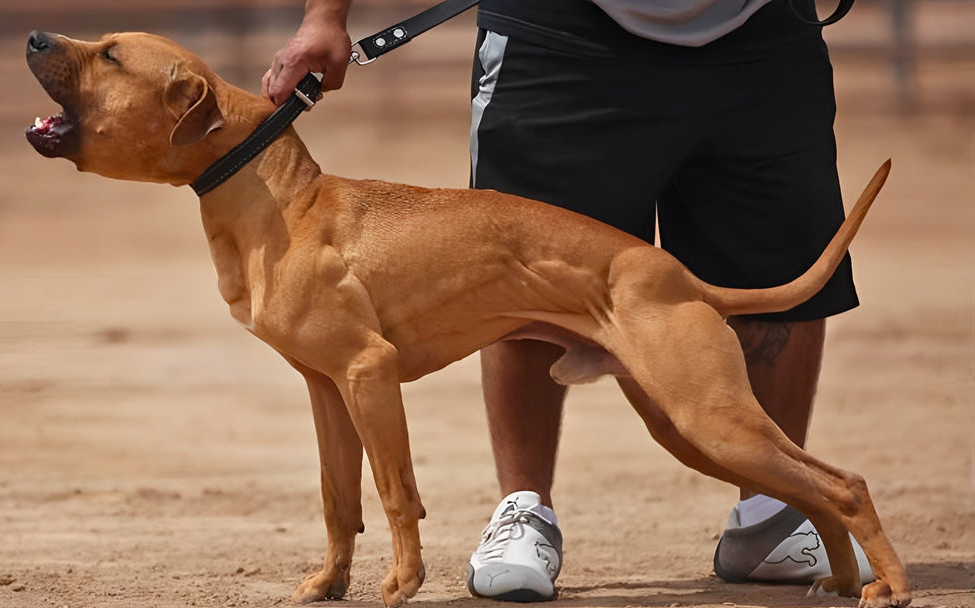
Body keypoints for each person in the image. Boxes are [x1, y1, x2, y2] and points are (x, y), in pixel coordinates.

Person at [262, 0, 874, 601]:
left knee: (775, 272)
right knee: (507, 270)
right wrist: (325, 13)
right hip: (559, 27)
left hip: (763, 28)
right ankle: (524, 508)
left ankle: (775, 511)